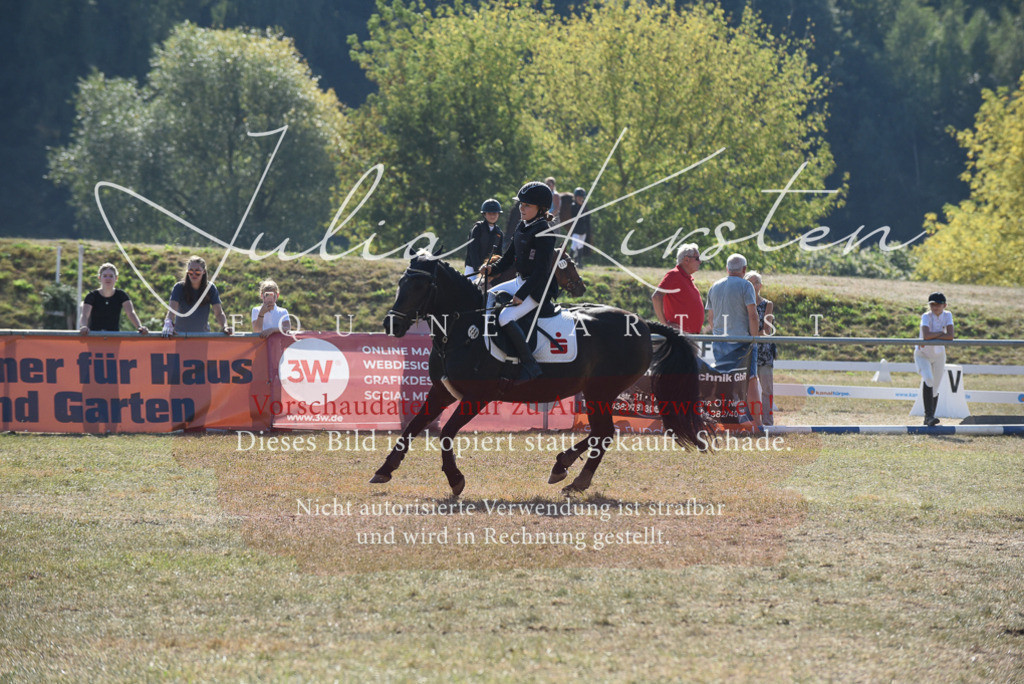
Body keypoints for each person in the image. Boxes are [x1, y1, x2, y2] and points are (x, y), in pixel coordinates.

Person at [479, 181, 556, 380]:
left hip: (537, 288)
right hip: (520, 280)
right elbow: (508, 258)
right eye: (521, 204)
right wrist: (492, 269)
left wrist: (521, 295)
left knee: (505, 317)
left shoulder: (545, 232)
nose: (521, 208)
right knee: (488, 295)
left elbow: (540, 272)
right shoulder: (523, 225)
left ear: (541, 209)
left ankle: (530, 365)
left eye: (527, 205)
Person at [705, 253, 761, 428]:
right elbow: (753, 315)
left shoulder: (714, 286)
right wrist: (754, 340)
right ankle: (757, 424)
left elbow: (710, 317)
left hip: (719, 341)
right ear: (744, 270)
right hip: (742, 341)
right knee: (751, 380)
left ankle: (726, 422)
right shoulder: (746, 285)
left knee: (724, 381)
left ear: (727, 269)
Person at [163, 256, 233, 335]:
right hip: (181, 336)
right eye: (190, 271)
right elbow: (172, 311)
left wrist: (225, 326)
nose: (193, 274)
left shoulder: (210, 288)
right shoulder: (179, 287)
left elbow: (219, 313)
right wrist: (168, 324)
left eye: (197, 272)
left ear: (204, 272)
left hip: (202, 337)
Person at [915, 291, 954, 426]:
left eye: (938, 304)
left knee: (936, 387)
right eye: (932, 304)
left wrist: (934, 335)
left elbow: (950, 336)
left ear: (945, 305)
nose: (935, 307)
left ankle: (930, 418)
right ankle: (929, 415)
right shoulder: (926, 316)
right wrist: (940, 334)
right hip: (922, 354)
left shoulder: (948, 315)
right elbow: (926, 335)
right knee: (929, 379)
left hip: (939, 354)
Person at [78, 262, 148, 335]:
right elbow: (85, 315)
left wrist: (140, 327)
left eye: (111, 276)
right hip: (95, 336)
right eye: (105, 276)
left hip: (114, 336)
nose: (108, 278)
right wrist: (84, 326)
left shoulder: (121, 295)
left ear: (116, 278)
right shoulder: (91, 296)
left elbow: (130, 313)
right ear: (99, 278)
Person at [745, 270, 777, 426]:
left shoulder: (767, 304)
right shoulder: (742, 304)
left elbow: (766, 330)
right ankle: (748, 421)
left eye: (756, 282)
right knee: (745, 388)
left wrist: (750, 335)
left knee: (767, 389)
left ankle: (768, 422)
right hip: (747, 351)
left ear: (760, 285)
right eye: (750, 282)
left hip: (764, 352)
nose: (753, 285)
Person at [652, 244, 704, 334]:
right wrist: (665, 325)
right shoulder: (674, 274)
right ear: (686, 259)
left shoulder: (686, 277)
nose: (700, 261)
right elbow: (656, 297)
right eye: (697, 258)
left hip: (687, 336)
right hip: (679, 336)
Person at [464, 199, 504, 275]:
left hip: (489, 269)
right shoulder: (477, 228)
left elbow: (499, 254)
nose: (492, 216)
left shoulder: (499, 233)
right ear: (484, 214)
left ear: (498, 214)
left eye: (495, 213)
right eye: (489, 213)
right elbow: (473, 250)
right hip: (473, 267)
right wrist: (478, 268)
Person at [568, 187, 592, 267]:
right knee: (574, 245)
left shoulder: (585, 205)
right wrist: (581, 206)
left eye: (581, 197)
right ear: (575, 197)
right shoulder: (574, 205)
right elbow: (576, 216)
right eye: (578, 197)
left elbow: (587, 216)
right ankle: (568, 260)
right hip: (576, 229)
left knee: (580, 245)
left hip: (583, 229)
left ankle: (579, 262)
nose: (580, 198)